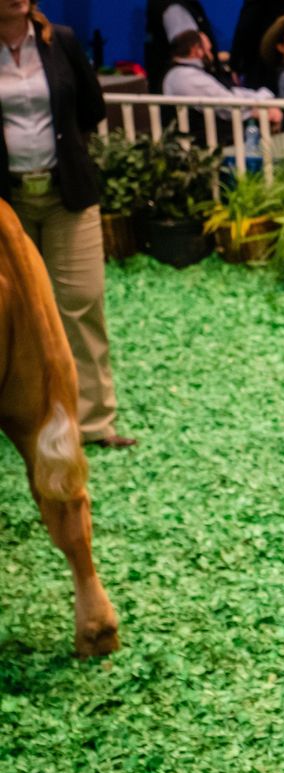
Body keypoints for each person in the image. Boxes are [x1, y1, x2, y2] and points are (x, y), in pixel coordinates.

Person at [0, 0, 133, 448]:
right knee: (10, 313)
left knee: (81, 302)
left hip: (67, 195)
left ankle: (95, 423)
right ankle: (21, 417)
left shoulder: (63, 41)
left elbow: (92, 108)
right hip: (6, 206)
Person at [162, 29, 283, 147]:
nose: (212, 56)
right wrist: (257, 110)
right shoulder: (185, 76)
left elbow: (231, 93)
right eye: (209, 50)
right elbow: (227, 105)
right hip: (207, 148)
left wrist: (264, 99)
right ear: (196, 50)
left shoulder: (189, 73)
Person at [145, 0, 234, 92]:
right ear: (196, 49)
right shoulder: (174, 9)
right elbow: (187, 50)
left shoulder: (184, 5)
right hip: (186, 89)